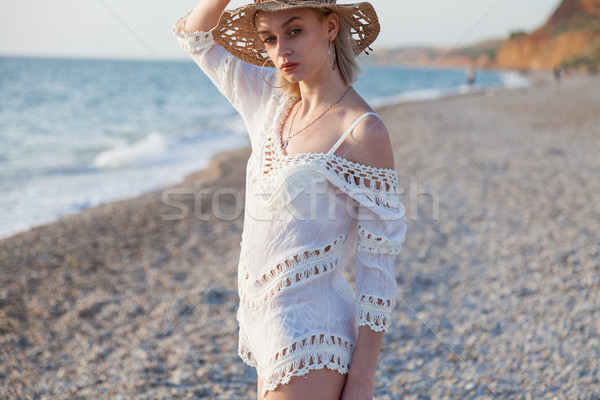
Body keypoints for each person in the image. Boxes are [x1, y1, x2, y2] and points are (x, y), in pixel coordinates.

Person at [172, 1, 408, 398]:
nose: (281, 49)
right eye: (269, 38)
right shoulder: (266, 101)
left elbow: (377, 268)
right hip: (262, 327)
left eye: (294, 31)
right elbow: (194, 36)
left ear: (330, 27)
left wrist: (362, 381)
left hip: (312, 335)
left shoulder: (362, 132)